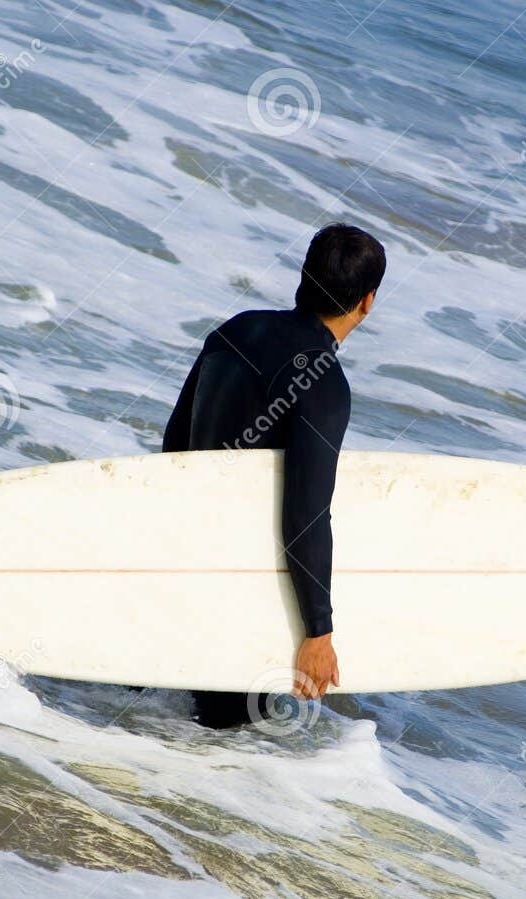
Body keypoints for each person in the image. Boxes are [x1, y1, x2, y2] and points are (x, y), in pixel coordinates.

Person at [163, 223, 386, 730]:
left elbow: (174, 448)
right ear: (367, 302)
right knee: (231, 744)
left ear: (303, 278)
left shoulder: (234, 330)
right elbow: (306, 514)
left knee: (174, 721)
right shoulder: (324, 382)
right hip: (248, 592)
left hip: (189, 571)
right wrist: (318, 634)